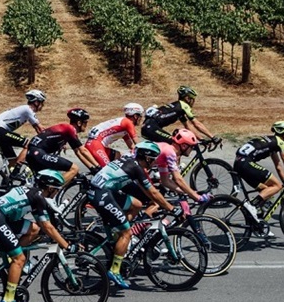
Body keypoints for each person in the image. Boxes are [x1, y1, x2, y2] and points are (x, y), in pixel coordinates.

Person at [87, 141, 175, 289]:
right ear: (147, 158)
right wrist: (171, 208)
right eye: (153, 159)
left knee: (137, 205)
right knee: (126, 233)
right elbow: (152, 192)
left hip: (101, 190)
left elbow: (143, 190)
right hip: (102, 194)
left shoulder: (129, 160)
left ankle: (117, 233)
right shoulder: (136, 168)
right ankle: (115, 270)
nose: (154, 163)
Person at [0, 169, 70, 302]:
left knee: (34, 229)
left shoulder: (35, 193)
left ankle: (14, 258)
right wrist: (66, 244)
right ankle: (9, 299)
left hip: (0, 216)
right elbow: (47, 226)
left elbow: (41, 225)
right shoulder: (39, 197)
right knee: (20, 259)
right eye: (56, 190)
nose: (56, 193)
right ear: (49, 187)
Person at [233, 122, 284, 234]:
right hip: (246, 163)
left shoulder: (270, 141)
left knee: (267, 192)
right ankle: (251, 205)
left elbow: (278, 166)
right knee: (277, 186)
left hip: (239, 164)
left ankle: (258, 225)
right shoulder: (279, 142)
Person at [20, 108, 98, 184]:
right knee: (74, 169)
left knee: (45, 181)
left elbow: (78, 153)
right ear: (79, 123)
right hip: (38, 152)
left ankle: (45, 194)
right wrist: (98, 167)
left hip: (35, 152)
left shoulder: (68, 132)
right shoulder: (70, 129)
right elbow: (83, 151)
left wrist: (92, 168)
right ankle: (52, 190)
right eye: (85, 122)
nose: (86, 125)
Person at [0, 90, 46, 177]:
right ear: (36, 102)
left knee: (12, 162)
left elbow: (37, 129)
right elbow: (41, 128)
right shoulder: (28, 109)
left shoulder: (27, 111)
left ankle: (4, 185)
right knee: (29, 144)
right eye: (42, 103)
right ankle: (17, 171)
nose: (43, 106)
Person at [152, 129, 212, 206]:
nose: (192, 149)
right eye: (191, 147)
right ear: (184, 146)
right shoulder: (170, 153)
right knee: (156, 204)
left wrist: (190, 193)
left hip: (136, 169)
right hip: (136, 170)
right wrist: (197, 197)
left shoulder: (166, 148)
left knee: (156, 203)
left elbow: (165, 181)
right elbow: (178, 179)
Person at [141, 86, 216, 143]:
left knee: (172, 147)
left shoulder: (178, 108)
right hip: (151, 128)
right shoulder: (184, 105)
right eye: (192, 99)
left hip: (148, 127)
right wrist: (213, 137)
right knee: (175, 144)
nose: (193, 102)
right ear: (187, 98)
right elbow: (196, 124)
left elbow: (188, 126)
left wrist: (201, 139)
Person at [85, 103, 140, 169]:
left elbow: (131, 146)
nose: (141, 119)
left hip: (95, 145)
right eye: (140, 116)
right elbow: (138, 144)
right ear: (136, 116)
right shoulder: (128, 123)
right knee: (108, 171)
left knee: (121, 157)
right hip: (96, 146)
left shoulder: (123, 124)